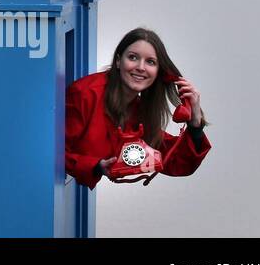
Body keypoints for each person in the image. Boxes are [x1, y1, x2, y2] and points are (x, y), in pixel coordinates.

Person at [65, 27, 210, 189]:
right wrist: (95, 165)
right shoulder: (84, 94)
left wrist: (195, 123)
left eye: (151, 62)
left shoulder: (138, 111)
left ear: (159, 72)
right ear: (119, 61)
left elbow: (177, 162)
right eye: (133, 57)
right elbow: (51, 153)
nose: (141, 67)